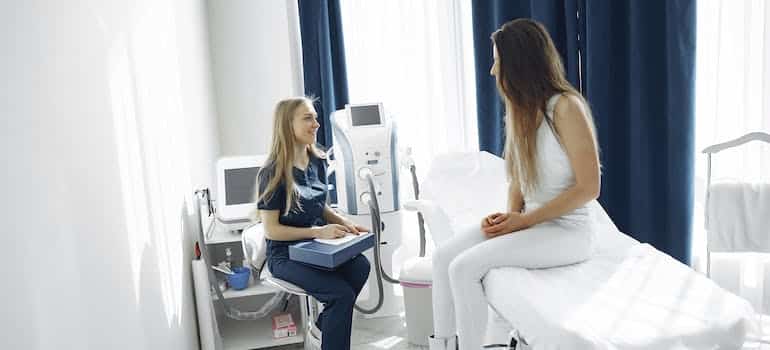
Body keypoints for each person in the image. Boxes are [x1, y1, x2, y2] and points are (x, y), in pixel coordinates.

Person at [429, 18, 602, 350]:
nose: (493, 71)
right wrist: (510, 218)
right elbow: (519, 178)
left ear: (519, 63)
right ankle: (443, 344)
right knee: (443, 257)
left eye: (497, 61)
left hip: (569, 231)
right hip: (533, 223)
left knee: (465, 267)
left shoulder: (566, 107)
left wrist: (524, 221)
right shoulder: (521, 110)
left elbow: (589, 188)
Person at [256, 97, 370, 350]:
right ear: (287, 125)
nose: (316, 124)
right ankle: (330, 332)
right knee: (340, 296)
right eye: (308, 118)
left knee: (361, 266)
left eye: (315, 117)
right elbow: (271, 230)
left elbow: (320, 206)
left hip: (317, 247)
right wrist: (319, 231)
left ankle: (322, 326)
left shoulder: (316, 160)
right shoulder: (272, 173)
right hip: (285, 255)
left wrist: (346, 224)